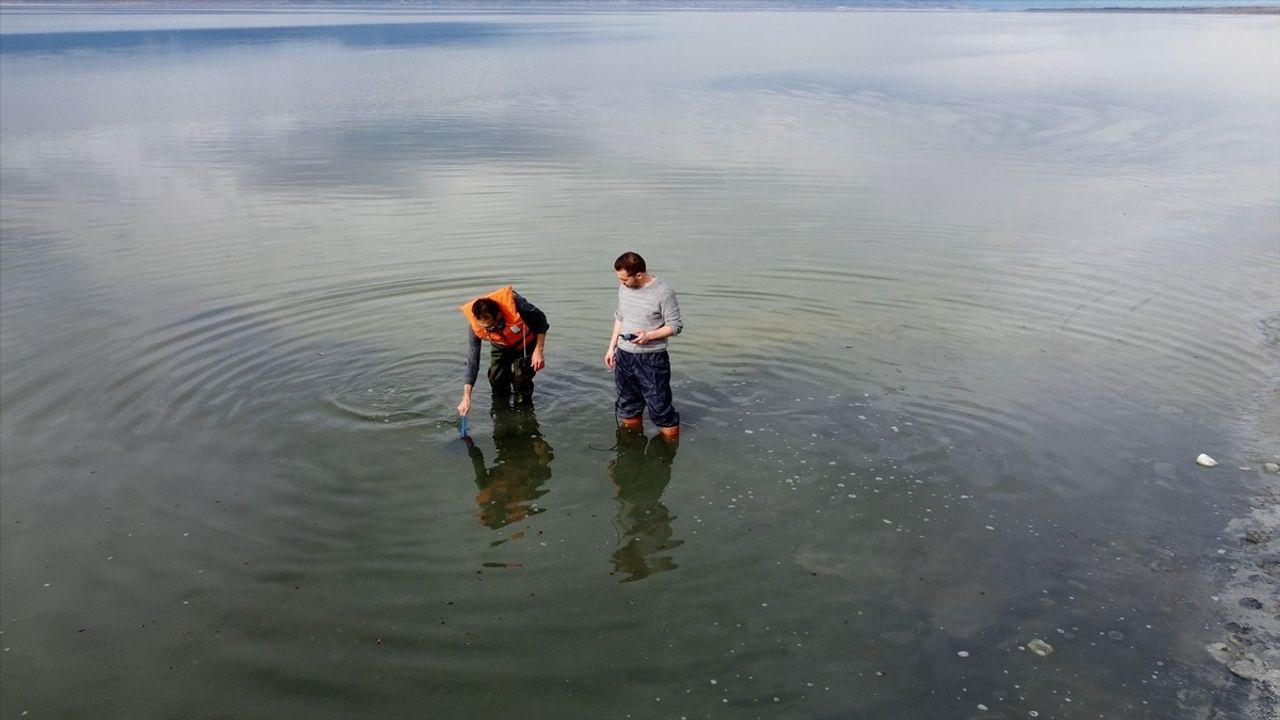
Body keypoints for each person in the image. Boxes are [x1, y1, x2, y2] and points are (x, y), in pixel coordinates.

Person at [604, 251, 683, 440]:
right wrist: (611, 347)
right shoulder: (624, 288)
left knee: (660, 409)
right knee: (628, 406)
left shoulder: (663, 291)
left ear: (638, 275)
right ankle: (630, 455)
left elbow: (675, 326)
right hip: (624, 355)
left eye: (624, 279)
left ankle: (667, 454)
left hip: (651, 358)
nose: (621, 284)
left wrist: (649, 335)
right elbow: (620, 318)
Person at [458, 286, 548, 416]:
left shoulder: (519, 306)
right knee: (497, 380)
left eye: (489, 326)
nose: (487, 330)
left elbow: (541, 322)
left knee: (521, 381)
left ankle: (523, 415)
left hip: (525, 343)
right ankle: (501, 415)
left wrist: (538, 351)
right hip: (500, 344)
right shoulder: (476, 326)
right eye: (483, 327)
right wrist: (466, 397)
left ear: (498, 315)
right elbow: (473, 360)